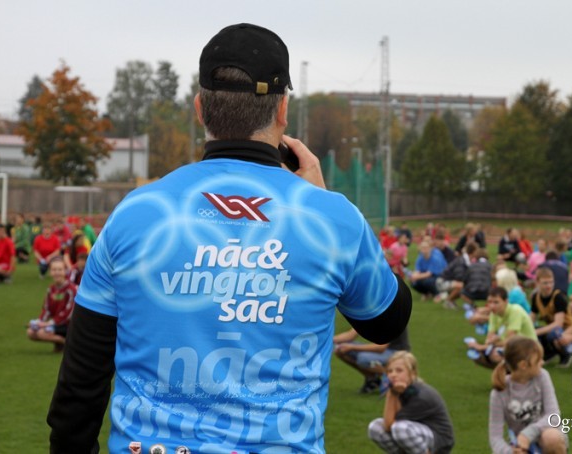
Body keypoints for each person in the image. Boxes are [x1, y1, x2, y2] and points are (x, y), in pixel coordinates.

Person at [47, 23, 412, 454]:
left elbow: (80, 384)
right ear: (282, 110)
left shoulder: (136, 213)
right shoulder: (332, 219)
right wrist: (322, 202)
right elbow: (387, 321)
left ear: (200, 108)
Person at [489, 336, 567, 454]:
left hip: (545, 436)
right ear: (523, 365)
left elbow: (554, 416)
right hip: (520, 445)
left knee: (551, 437)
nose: (543, 362)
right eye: (539, 360)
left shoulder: (542, 376)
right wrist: (510, 451)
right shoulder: (499, 392)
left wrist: (527, 434)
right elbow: (495, 437)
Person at [368, 351, 455, 454]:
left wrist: (392, 394)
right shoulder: (400, 389)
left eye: (399, 370)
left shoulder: (421, 396)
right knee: (375, 427)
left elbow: (390, 425)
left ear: (412, 373)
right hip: (416, 431)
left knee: (400, 429)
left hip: (439, 439)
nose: (393, 375)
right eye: (390, 371)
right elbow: (390, 422)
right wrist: (393, 393)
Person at [466, 287, 537, 369]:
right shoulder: (494, 314)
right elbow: (489, 339)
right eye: (489, 302)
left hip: (529, 349)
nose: (492, 306)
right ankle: (507, 374)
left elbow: (510, 341)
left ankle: (516, 373)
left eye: (496, 302)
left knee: (495, 354)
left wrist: (482, 346)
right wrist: (488, 343)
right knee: (477, 355)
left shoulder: (515, 311)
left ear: (506, 301)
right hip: (513, 348)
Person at [334, 327, 411, 394]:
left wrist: (352, 347)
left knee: (363, 358)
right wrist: (329, 340)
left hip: (397, 353)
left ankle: (393, 380)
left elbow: (381, 348)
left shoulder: (389, 319)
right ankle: (372, 380)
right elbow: (350, 335)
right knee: (340, 348)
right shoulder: (368, 316)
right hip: (383, 350)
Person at [26, 257, 77, 352]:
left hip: (69, 325)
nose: (57, 272)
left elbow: (68, 314)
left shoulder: (71, 289)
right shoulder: (51, 289)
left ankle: (67, 344)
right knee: (31, 332)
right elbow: (46, 310)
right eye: (54, 270)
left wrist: (47, 324)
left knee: (42, 333)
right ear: (50, 272)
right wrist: (39, 322)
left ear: (65, 271)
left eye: (60, 269)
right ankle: (59, 343)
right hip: (55, 324)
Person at [530, 268, 572, 365]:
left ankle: (566, 354)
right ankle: (548, 353)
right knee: (533, 331)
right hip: (551, 327)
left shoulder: (558, 297)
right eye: (545, 283)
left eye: (551, 282)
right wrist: (528, 330)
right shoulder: (536, 297)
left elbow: (558, 324)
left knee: (553, 333)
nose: (549, 286)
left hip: (566, 329)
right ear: (537, 282)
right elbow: (531, 318)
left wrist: (536, 332)